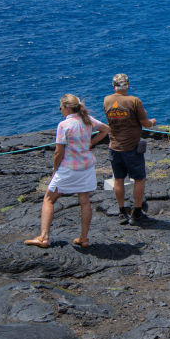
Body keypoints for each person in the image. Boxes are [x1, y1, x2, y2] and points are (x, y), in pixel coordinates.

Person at [25, 94, 109, 248]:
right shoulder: (87, 119)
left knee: (49, 199)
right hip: (86, 167)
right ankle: (83, 238)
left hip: (69, 168)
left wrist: (55, 169)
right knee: (85, 201)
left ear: (67, 107)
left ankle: (43, 237)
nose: (61, 110)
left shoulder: (64, 125)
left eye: (61, 108)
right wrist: (91, 143)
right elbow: (106, 129)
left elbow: (58, 152)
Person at [103, 73, 157, 225]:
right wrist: (153, 122)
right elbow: (145, 123)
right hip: (132, 147)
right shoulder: (134, 101)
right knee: (139, 179)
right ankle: (137, 212)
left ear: (113, 86)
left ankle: (122, 211)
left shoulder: (107, 100)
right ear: (128, 85)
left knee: (118, 179)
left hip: (114, 146)